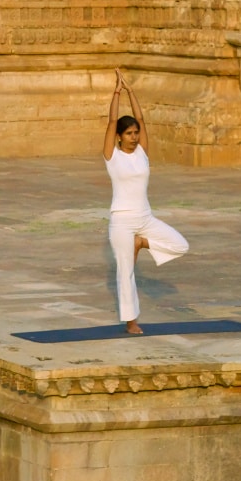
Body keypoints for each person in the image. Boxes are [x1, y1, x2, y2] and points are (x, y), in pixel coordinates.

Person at [101, 73, 189, 334]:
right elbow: (111, 120)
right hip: (122, 221)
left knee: (181, 245)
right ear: (119, 136)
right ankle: (131, 322)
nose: (134, 137)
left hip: (146, 218)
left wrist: (131, 91)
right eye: (129, 134)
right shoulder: (112, 156)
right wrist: (116, 93)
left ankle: (142, 243)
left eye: (136, 133)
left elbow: (142, 118)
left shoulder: (142, 152)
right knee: (125, 273)